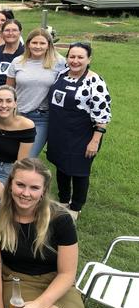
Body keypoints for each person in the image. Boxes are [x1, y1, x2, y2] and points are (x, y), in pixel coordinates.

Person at [0, 158, 94, 308]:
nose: (26, 193)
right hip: (17, 283)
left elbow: (67, 274)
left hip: (58, 285)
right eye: (20, 185)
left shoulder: (60, 219)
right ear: (10, 185)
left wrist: (40, 304)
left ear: (44, 191)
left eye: (34, 188)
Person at [47, 42, 111, 217]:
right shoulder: (61, 74)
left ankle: (75, 207)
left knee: (79, 171)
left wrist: (95, 141)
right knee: (61, 166)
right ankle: (63, 200)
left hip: (82, 135)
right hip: (59, 132)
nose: (75, 61)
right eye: (72, 56)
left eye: (80, 57)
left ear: (89, 59)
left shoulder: (95, 81)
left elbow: (102, 116)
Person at [6, 28, 65, 157]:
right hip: (17, 115)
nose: (38, 46)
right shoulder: (17, 62)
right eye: (34, 43)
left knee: (27, 157)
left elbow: (77, 72)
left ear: (49, 45)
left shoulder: (59, 63)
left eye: (42, 43)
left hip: (41, 117)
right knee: (10, 154)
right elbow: (8, 90)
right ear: (28, 44)